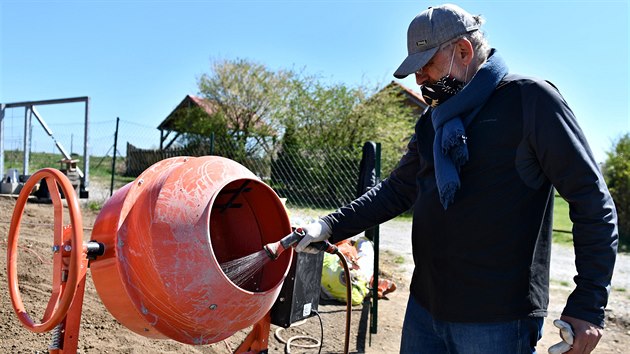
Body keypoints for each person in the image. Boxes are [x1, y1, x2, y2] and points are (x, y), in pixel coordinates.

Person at [295, 3, 618, 353]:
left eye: (426, 66)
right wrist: (329, 226)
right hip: (425, 309)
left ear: (463, 51)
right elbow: (397, 190)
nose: (419, 80)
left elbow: (592, 201)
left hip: (497, 321)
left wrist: (588, 305)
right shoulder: (432, 121)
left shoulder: (530, 101)